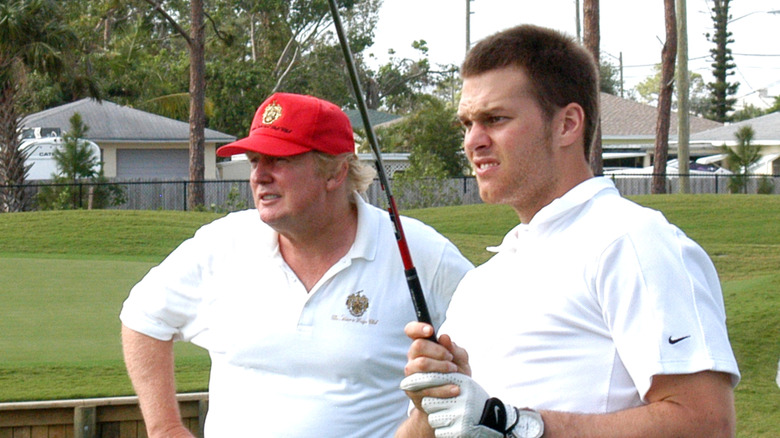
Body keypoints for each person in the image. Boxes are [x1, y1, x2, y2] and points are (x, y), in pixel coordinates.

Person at [396, 25, 740, 438]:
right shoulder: (482, 282)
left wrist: (519, 426)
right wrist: (432, 406)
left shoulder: (631, 241)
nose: (473, 141)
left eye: (495, 119)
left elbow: (706, 422)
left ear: (567, 124)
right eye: (466, 124)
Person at [120, 92, 473, 437]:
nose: (259, 175)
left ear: (335, 172)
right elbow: (143, 317)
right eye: (256, 160)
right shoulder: (222, 243)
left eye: (280, 160)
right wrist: (165, 427)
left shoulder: (421, 253)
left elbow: (493, 342)